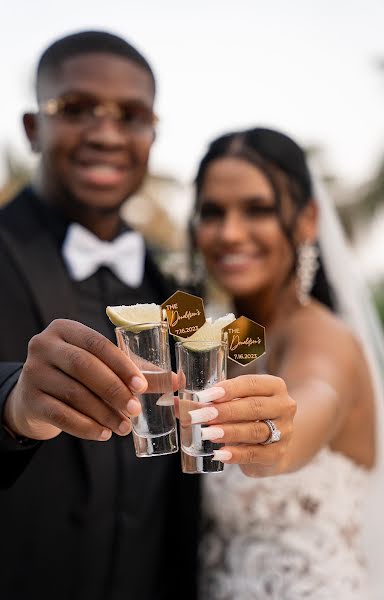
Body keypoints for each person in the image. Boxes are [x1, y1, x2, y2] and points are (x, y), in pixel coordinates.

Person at [0, 34, 295, 600]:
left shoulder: (177, 296)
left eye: (131, 116)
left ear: (152, 135)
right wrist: (11, 402)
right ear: (33, 128)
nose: (106, 134)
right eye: (76, 110)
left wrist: (268, 430)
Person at [190, 127, 384, 599]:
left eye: (258, 209)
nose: (230, 233)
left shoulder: (327, 339)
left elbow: (317, 395)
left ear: (307, 219)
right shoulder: (224, 337)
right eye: (213, 212)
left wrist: (279, 428)